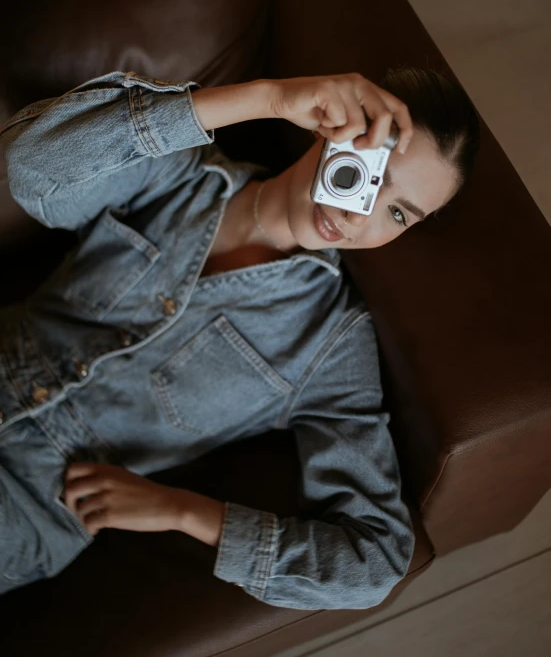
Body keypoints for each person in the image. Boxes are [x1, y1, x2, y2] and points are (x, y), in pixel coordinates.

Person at [0, 69, 479, 608]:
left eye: (397, 213)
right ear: (332, 126)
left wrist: (188, 512)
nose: (355, 213)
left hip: (32, 503)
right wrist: (268, 98)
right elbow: (32, 165)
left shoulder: (329, 347)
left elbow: (376, 563)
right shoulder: (179, 177)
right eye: (370, 173)